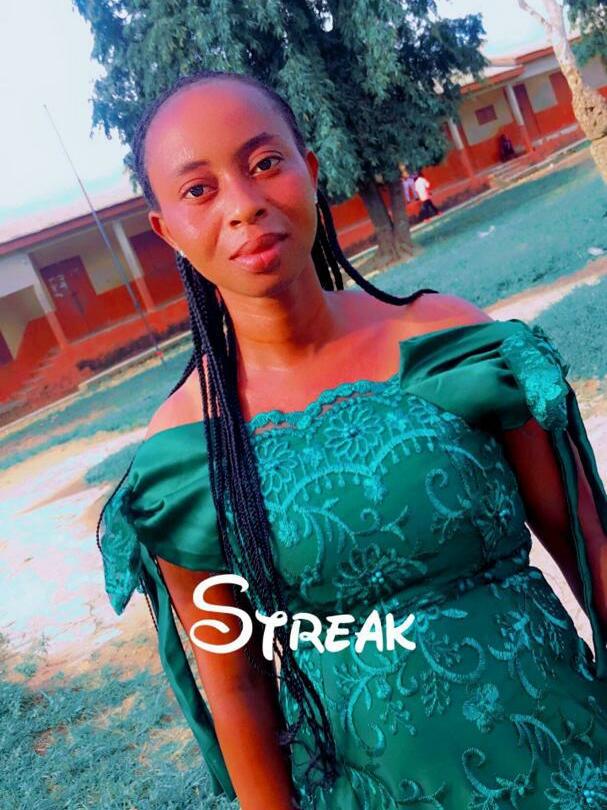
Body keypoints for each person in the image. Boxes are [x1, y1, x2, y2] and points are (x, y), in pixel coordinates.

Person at [97, 70, 607, 810]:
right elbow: (237, 686)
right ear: (166, 229)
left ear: (309, 168)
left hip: (571, 764)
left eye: (265, 162)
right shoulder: (185, 462)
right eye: (199, 190)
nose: (243, 205)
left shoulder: (449, 345)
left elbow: (586, 543)